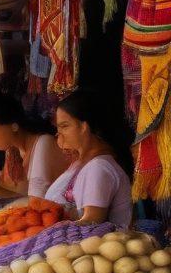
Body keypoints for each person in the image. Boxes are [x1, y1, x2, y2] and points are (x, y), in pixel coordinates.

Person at [45, 89, 133, 227]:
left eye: (65, 126)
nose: (59, 134)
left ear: (84, 127)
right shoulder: (80, 164)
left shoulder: (99, 167)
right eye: (58, 129)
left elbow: (91, 223)